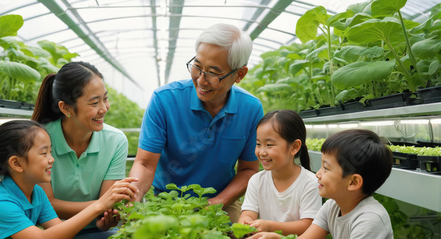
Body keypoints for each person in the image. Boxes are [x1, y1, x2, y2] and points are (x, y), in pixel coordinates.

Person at [129, 23, 264, 223]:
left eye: (214, 73)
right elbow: (145, 163)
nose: (201, 80)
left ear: (239, 74)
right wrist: (133, 197)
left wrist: (217, 202)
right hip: (168, 200)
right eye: (197, 67)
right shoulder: (164, 99)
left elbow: (248, 170)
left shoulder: (251, 109)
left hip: (222, 202)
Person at [0, 120, 138, 239]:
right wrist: (99, 205)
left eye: (51, 151)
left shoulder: (36, 193)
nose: (52, 159)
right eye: (44, 153)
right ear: (17, 164)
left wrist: (98, 224)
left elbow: (59, 229)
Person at [31, 61, 129, 238]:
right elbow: (47, 204)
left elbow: (106, 206)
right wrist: (101, 206)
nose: (104, 108)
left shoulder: (116, 141)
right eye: (94, 103)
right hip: (52, 232)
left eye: (105, 98)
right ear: (65, 108)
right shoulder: (39, 140)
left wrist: (105, 217)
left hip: (94, 231)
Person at [249, 129, 394, 239]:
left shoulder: (369, 220)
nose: (317, 174)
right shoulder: (332, 206)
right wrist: (277, 237)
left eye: (326, 168)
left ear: (353, 182)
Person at [238, 110, 322, 237]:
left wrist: (270, 227)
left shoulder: (310, 183)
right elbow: (248, 213)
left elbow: (308, 225)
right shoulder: (257, 180)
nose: (261, 152)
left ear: (294, 147)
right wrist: (246, 223)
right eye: (258, 144)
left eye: (269, 145)